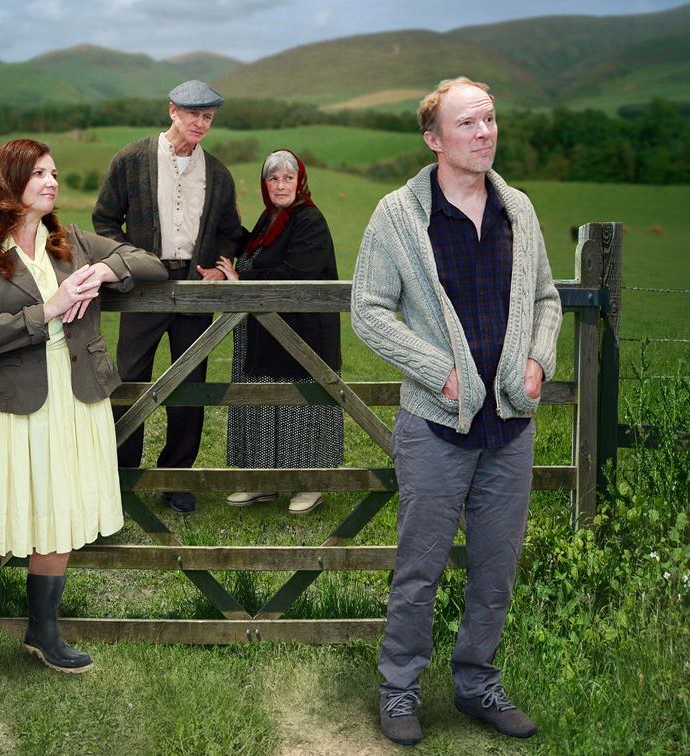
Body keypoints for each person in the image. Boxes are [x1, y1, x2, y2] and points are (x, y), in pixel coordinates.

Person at [0, 139, 166, 682]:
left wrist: (105, 273)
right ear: (10, 181)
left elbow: (151, 262)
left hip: (74, 401)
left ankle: (43, 634)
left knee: (60, 514)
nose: (52, 182)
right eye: (39, 174)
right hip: (11, 406)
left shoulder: (68, 241)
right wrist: (45, 310)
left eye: (54, 172)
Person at [351, 78, 562, 745]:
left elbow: (547, 300)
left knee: (496, 570)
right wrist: (436, 370)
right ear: (434, 138)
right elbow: (368, 310)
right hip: (435, 427)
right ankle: (400, 691)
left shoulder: (518, 210)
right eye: (467, 123)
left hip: (510, 426)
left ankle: (477, 686)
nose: (484, 132)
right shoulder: (398, 215)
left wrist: (537, 360)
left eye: (490, 119)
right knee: (421, 568)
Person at [93, 80, 243, 514]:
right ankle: (122, 475)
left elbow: (231, 232)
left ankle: (176, 478)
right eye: (194, 114)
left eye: (208, 117)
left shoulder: (216, 173)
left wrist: (220, 264)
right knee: (129, 378)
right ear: (172, 111)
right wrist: (128, 260)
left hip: (195, 290)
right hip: (142, 289)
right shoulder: (131, 159)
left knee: (190, 384)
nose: (201, 123)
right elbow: (104, 220)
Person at [214, 149, 342, 514]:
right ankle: (262, 481)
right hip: (264, 332)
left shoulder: (309, 220)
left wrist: (243, 278)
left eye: (288, 178)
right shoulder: (271, 218)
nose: (280, 185)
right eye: (273, 179)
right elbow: (252, 250)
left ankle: (309, 483)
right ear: (265, 184)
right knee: (261, 402)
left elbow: (297, 271)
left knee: (300, 405)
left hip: (302, 334)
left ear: (299, 181)